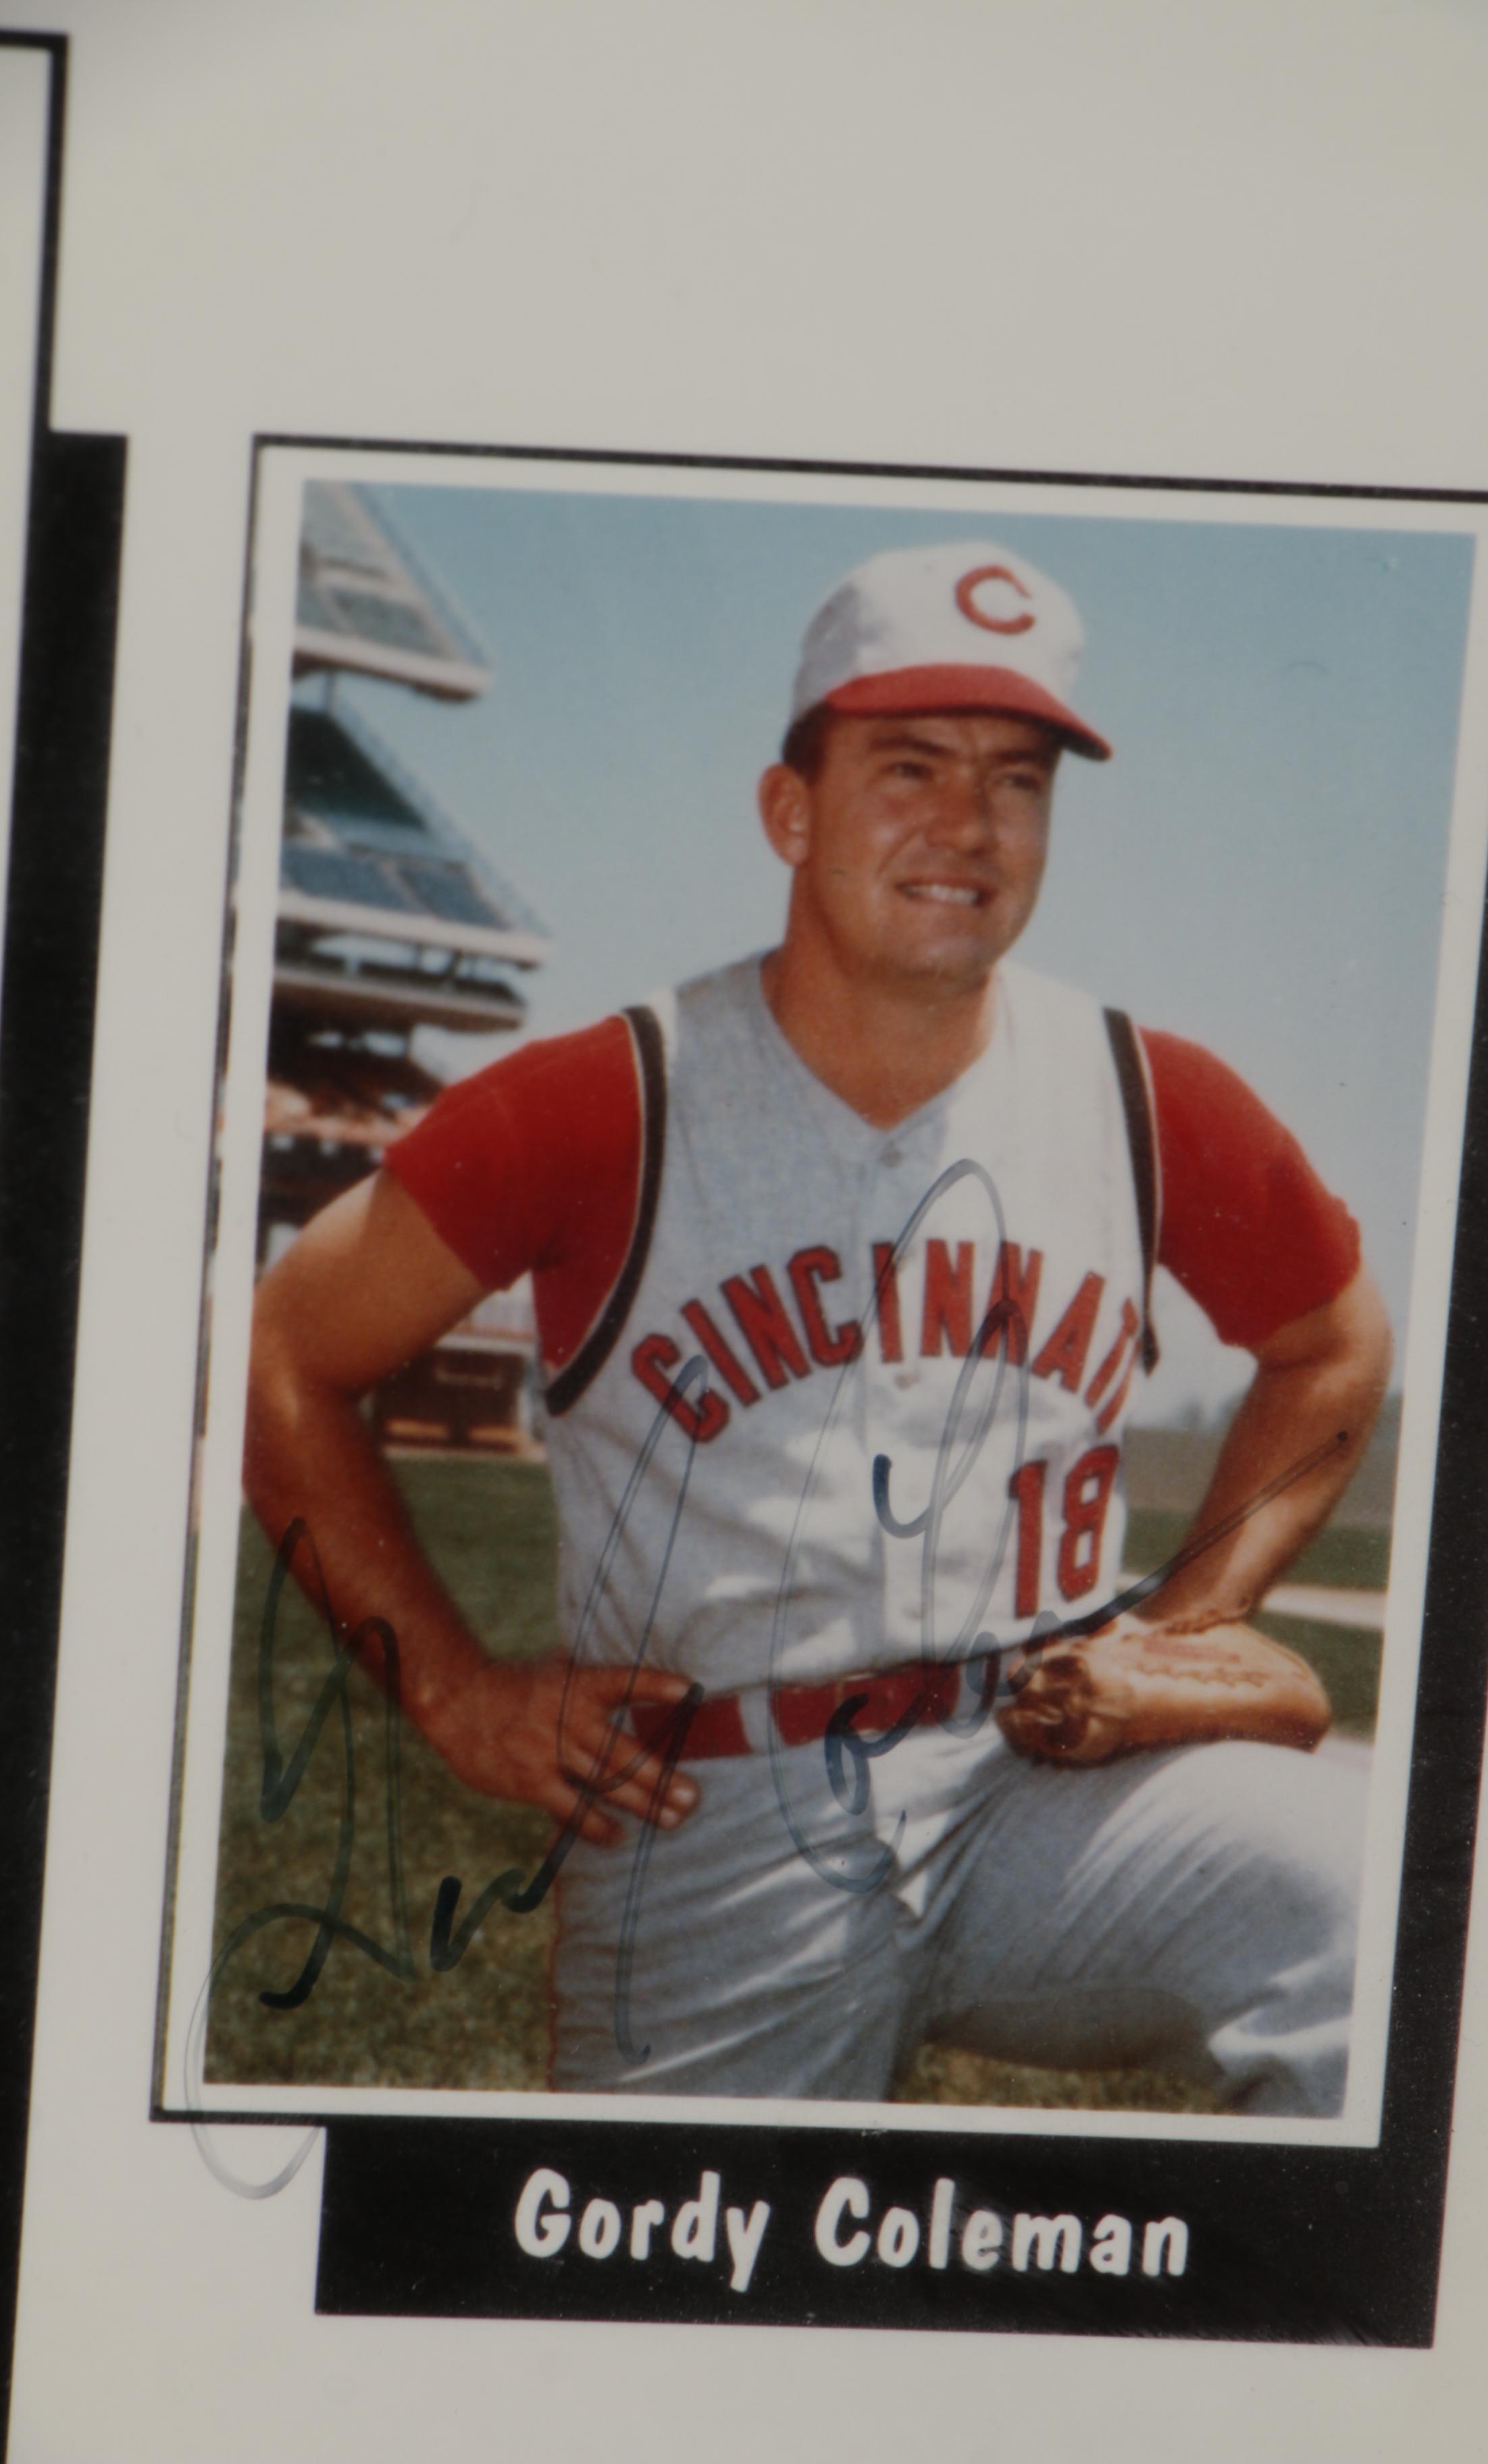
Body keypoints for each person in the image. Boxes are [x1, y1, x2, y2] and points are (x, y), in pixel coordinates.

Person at [244, 538, 1392, 2115]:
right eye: (907, 768)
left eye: (1016, 781)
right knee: (669, 2296)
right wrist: (449, 1688)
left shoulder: (1143, 1096)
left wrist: (1181, 1631)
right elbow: (284, 1348)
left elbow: (1334, 1347)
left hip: (1044, 1784)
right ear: (792, 810)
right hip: (708, 1805)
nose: (967, 828)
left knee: (1364, 1912)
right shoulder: (607, 1101)